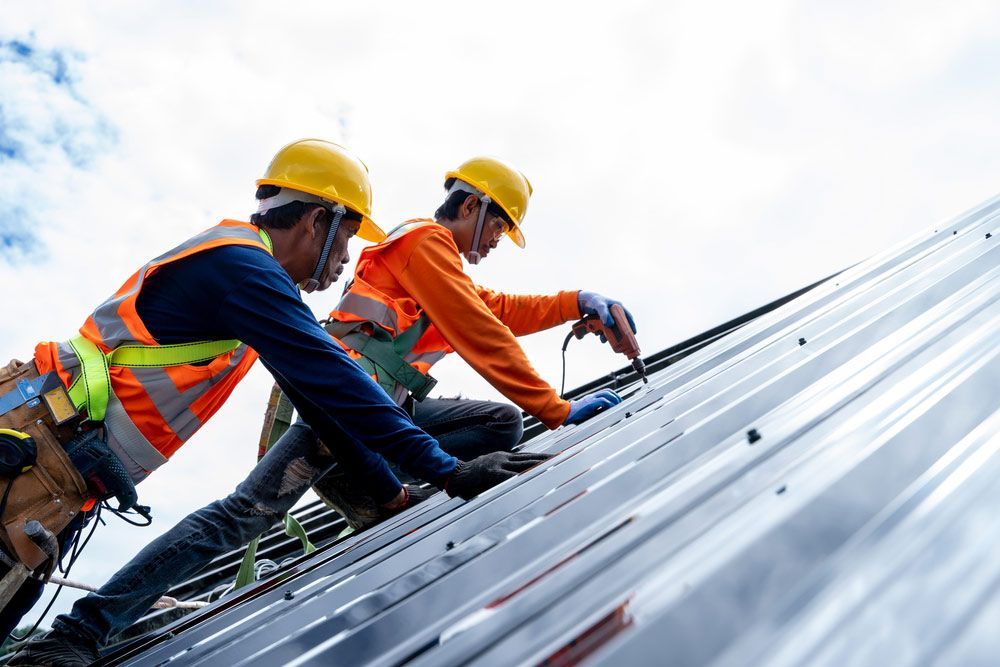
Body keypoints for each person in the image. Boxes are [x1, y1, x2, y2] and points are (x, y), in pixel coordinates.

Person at [6, 140, 547, 666]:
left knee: (17, 595)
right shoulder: (243, 269)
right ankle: (79, 633)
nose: (343, 262)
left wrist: (392, 491)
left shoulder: (246, 281)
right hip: (38, 452)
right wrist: (448, 470)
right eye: (344, 241)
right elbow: (335, 378)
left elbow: (317, 401)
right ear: (317, 222)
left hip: (64, 469)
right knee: (240, 513)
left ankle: (73, 638)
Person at [312, 156, 633, 528]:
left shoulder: (435, 264)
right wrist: (555, 409)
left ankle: (382, 482)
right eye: (498, 225)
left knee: (503, 423)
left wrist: (575, 301)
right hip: (350, 403)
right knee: (502, 425)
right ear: (469, 206)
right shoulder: (425, 242)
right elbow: (480, 330)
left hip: (376, 403)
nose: (497, 239)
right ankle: (368, 476)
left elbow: (500, 310)